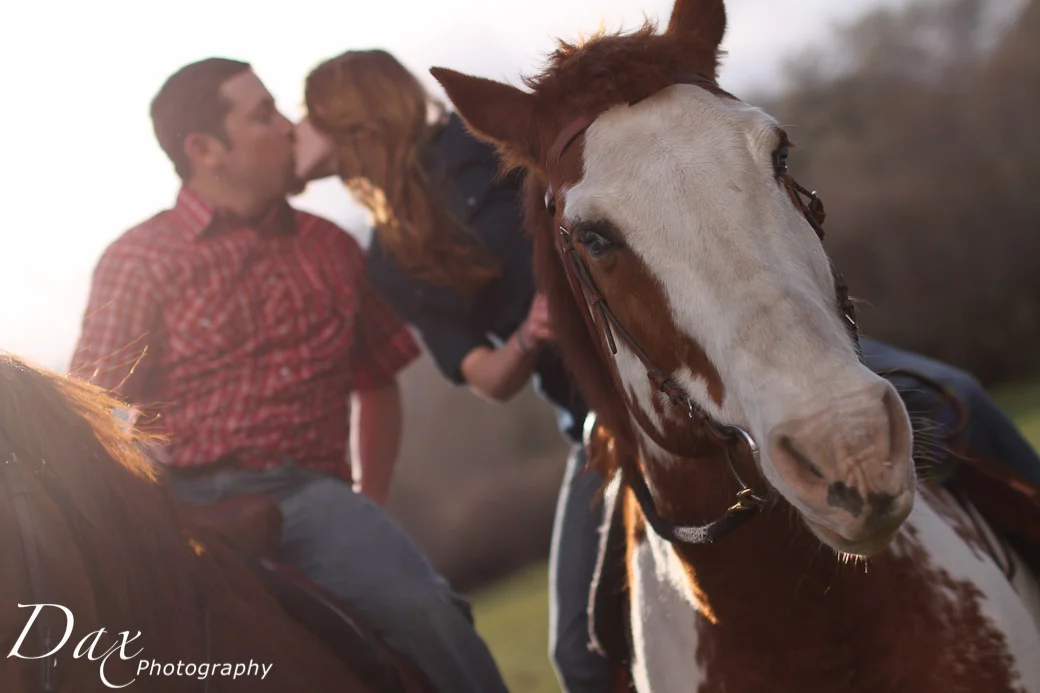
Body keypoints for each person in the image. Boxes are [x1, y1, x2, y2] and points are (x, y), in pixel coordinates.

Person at [292, 49, 1040, 693]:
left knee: (963, 399)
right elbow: (487, 376)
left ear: (356, 119)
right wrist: (530, 332)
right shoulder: (391, 254)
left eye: (311, 115)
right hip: (601, 417)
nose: (300, 130)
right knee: (576, 651)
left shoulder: (510, 141)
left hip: (724, 341)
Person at [69, 57, 509, 693]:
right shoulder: (138, 259)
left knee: (427, 611)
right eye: (263, 115)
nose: (288, 126)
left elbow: (377, 380)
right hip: (177, 504)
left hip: (309, 497)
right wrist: (154, 508)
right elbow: (96, 410)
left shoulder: (333, 247)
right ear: (204, 150)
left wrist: (367, 504)